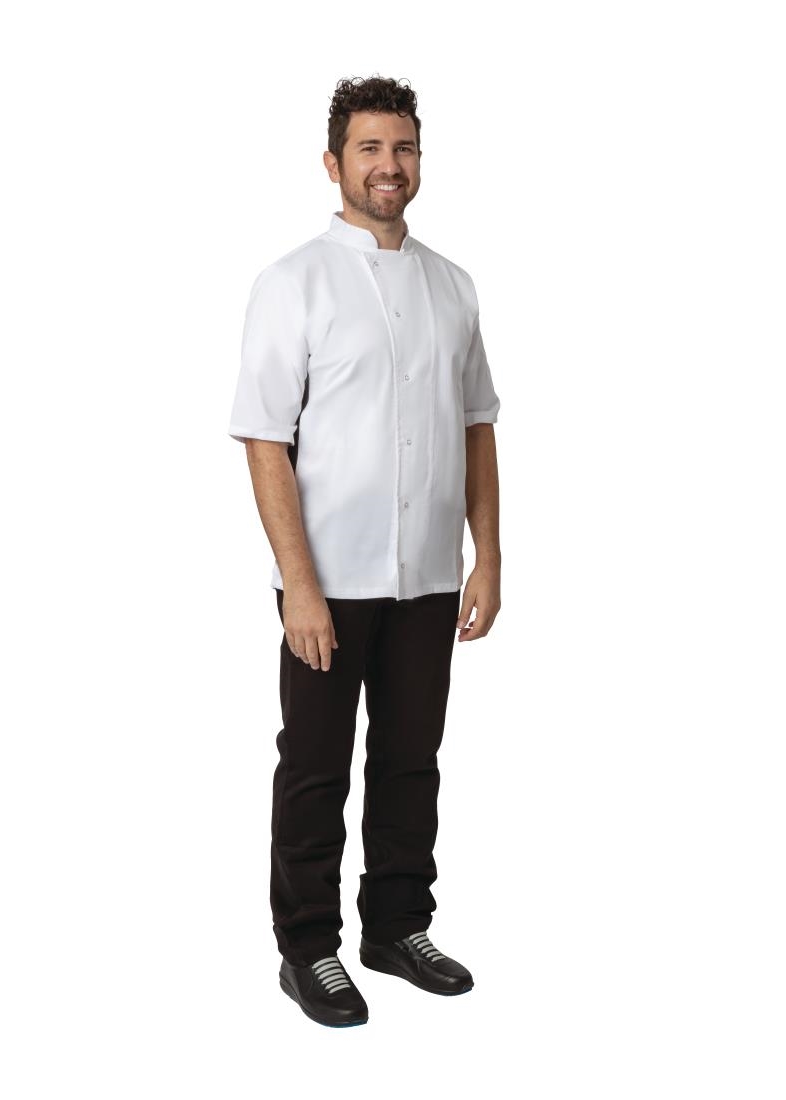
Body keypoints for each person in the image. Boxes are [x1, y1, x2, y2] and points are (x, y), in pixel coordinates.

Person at [227, 75, 502, 1028]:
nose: (390, 166)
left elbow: (476, 425)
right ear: (334, 163)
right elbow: (265, 438)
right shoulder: (293, 283)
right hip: (329, 581)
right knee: (314, 764)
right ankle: (307, 946)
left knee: (411, 760)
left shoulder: (453, 286)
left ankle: (396, 927)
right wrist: (299, 586)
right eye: (371, 149)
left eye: (405, 148)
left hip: (427, 577)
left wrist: (488, 557)